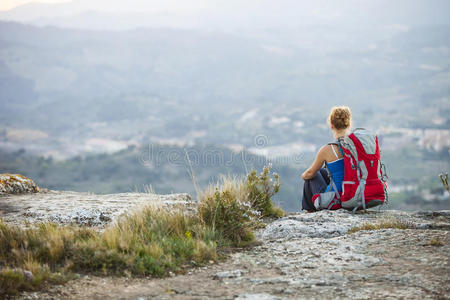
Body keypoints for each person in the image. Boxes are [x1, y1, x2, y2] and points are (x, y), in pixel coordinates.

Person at [301, 106, 352, 212]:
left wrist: (303, 175)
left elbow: (310, 173)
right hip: (352, 194)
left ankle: (309, 210)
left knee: (311, 177)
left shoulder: (327, 149)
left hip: (336, 200)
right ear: (349, 124)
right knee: (322, 171)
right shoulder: (355, 146)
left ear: (331, 126)